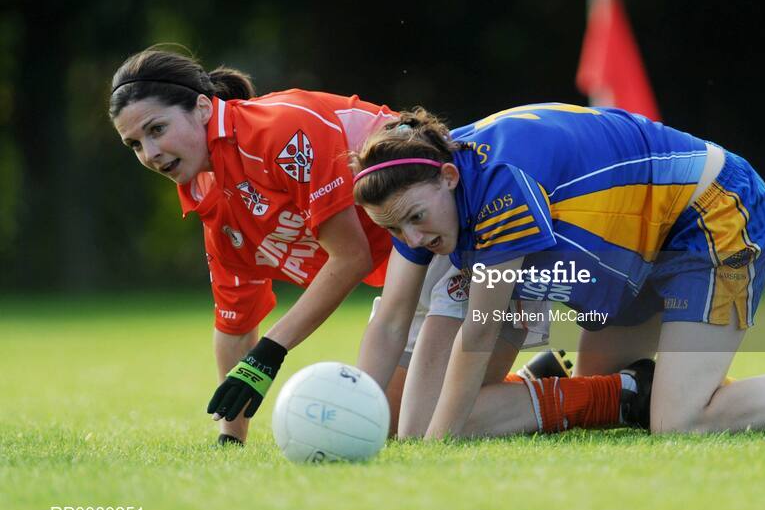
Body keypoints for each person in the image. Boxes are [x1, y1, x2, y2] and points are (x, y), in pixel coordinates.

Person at [352, 103, 765, 439]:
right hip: (627, 251)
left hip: (709, 215)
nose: (412, 239)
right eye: (394, 230)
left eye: (414, 221)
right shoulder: (420, 192)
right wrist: (361, 409)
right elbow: (391, 323)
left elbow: (478, 331)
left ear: (449, 178)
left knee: (680, 422)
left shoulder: (498, 184)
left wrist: (435, 451)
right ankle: (582, 383)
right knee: (604, 396)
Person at [108, 47, 592, 445]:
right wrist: (229, 438)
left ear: (201, 106)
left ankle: (614, 395)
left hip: (461, 239)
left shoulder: (275, 132)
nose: (150, 153)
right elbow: (235, 320)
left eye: (156, 130)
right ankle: (536, 383)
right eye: (134, 144)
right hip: (413, 269)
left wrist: (271, 352)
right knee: (390, 427)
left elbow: (351, 255)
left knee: (431, 431)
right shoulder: (209, 195)